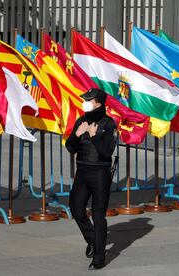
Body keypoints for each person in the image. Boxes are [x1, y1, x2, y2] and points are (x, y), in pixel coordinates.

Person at [65, 88, 117, 270]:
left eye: (89, 100)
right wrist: (77, 135)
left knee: (98, 215)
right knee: (76, 209)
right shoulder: (82, 120)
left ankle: (99, 258)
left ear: (99, 103)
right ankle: (93, 240)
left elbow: (107, 152)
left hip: (100, 174)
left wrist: (95, 137)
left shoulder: (109, 124)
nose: (85, 103)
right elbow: (70, 147)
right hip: (82, 172)